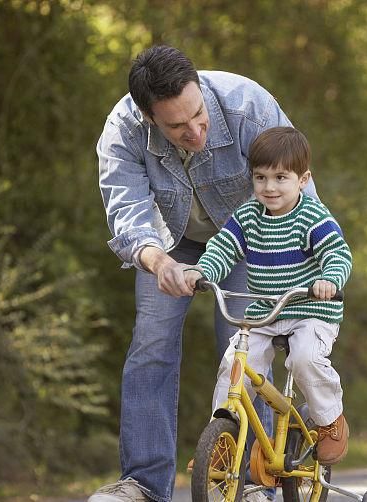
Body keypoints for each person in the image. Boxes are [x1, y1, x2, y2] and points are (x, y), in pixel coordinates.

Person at [91, 45, 318, 502]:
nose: (194, 131)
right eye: (177, 126)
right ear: (148, 116)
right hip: (167, 243)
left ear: (200, 90)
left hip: (249, 240)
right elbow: (128, 212)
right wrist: (158, 262)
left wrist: (313, 266)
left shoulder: (247, 107)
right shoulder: (124, 130)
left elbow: (300, 192)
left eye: (198, 115)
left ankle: (256, 485)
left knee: (244, 352)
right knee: (151, 343)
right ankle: (142, 485)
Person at [183, 126, 353, 467]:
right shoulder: (248, 216)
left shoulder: (312, 216)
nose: (269, 187)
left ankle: (331, 419)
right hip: (266, 311)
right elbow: (224, 247)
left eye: (280, 177)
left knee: (305, 357)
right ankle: (224, 435)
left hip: (310, 308)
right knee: (234, 364)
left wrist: (329, 280)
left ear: (303, 180)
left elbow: (338, 254)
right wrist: (202, 272)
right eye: (260, 178)